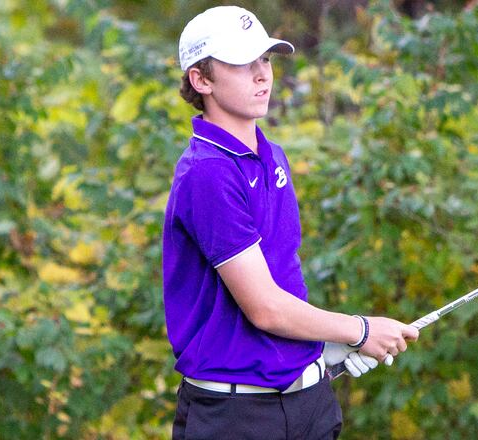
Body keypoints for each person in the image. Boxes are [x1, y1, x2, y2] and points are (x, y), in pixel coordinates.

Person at [162, 6, 419, 440]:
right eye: (243, 64)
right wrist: (359, 330)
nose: (262, 74)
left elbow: (283, 278)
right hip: (236, 416)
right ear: (201, 80)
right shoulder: (207, 173)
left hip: (309, 402)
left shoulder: (270, 154)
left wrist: (320, 347)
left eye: (264, 59)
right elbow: (264, 307)